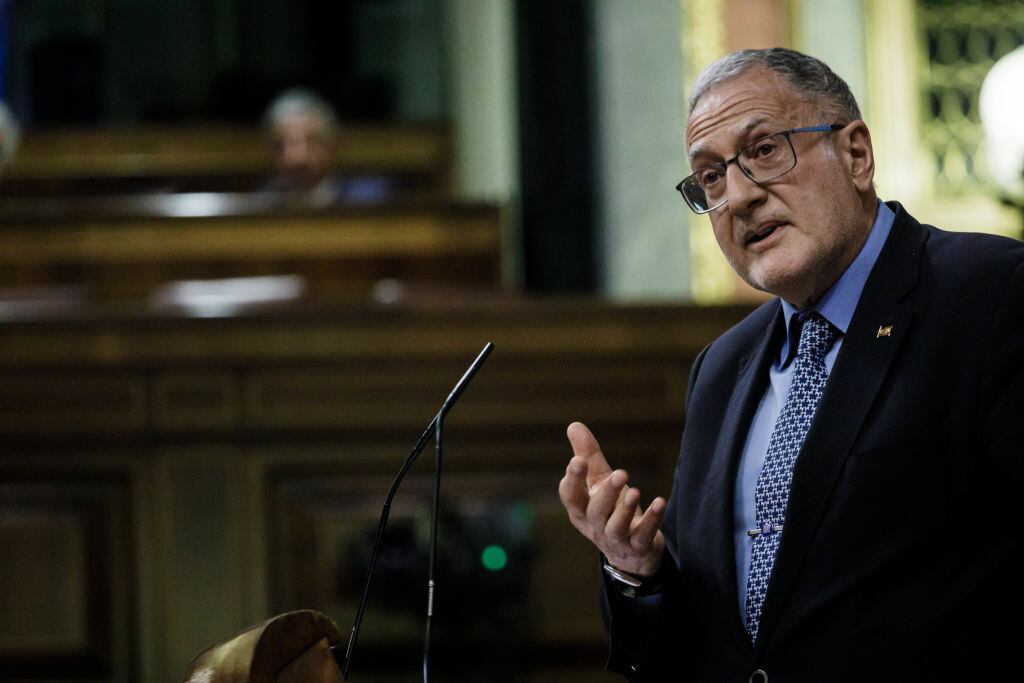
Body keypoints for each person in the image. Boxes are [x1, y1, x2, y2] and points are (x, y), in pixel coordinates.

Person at [559, 47, 1024, 681]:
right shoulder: (720, 370)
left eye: (765, 150)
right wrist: (637, 572)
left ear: (855, 155)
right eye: (712, 177)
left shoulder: (991, 295)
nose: (741, 196)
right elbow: (720, 640)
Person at [262, 88, 391, 206]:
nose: (297, 156)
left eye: (311, 141)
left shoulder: (368, 199)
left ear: (332, 145)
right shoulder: (263, 201)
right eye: (284, 144)